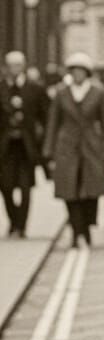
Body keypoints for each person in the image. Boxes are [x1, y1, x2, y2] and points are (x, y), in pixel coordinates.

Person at [43, 53, 104, 249]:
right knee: (69, 190)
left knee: (91, 190)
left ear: (87, 72)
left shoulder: (98, 91)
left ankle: (87, 227)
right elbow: (53, 122)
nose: (77, 74)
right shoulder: (61, 92)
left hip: (91, 147)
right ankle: (76, 231)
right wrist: (48, 151)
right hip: (67, 147)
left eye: (80, 71)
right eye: (73, 71)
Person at [0, 50, 48, 238]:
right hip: (5, 148)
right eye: (11, 65)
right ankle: (14, 221)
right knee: (6, 187)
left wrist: (43, 144)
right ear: (6, 67)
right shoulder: (1, 88)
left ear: (24, 66)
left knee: (26, 187)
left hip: (27, 148)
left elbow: (45, 117)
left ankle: (21, 226)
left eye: (18, 65)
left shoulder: (34, 89)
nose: (14, 69)